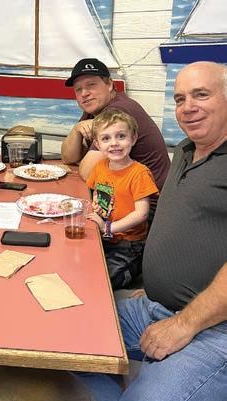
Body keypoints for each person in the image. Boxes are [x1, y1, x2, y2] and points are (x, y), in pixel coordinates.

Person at [77, 61, 227, 401]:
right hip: (158, 304)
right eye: (180, 99)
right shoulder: (186, 150)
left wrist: (185, 323)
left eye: (201, 95)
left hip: (212, 327)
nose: (188, 107)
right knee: (64, 334)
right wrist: (160, 281)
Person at [61, 58, 170, 192]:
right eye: (78, 89)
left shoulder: (117, 111)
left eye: (91, 85)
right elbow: (68, 158)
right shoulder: (95, 108)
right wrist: (76, 129)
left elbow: (88, 173)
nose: (84, 93)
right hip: (125, 191)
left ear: (110, 85)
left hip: (148, 199)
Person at [86, 109, 158, 290]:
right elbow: (96, 191)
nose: (114, 143)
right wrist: (96, 205)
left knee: (103, 283)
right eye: (106, 138)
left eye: (121, 136)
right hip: (105, 236)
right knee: (83, 267)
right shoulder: (100, 166)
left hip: (128, 243)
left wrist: (108, 227)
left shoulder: (139, 173)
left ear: (133, 139)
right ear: (97, 144)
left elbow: (142, 214)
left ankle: (133, 270)